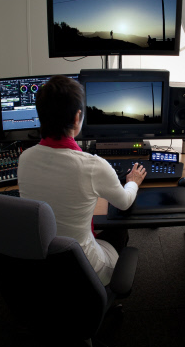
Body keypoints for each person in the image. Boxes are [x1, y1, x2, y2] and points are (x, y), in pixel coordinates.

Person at [18, 75, 146, 286]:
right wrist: (133, 181)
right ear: (77, 118)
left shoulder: (24, 159)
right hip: (87, 269)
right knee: (120, 228)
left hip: (43, 265)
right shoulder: (93, 166)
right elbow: (124, 202)